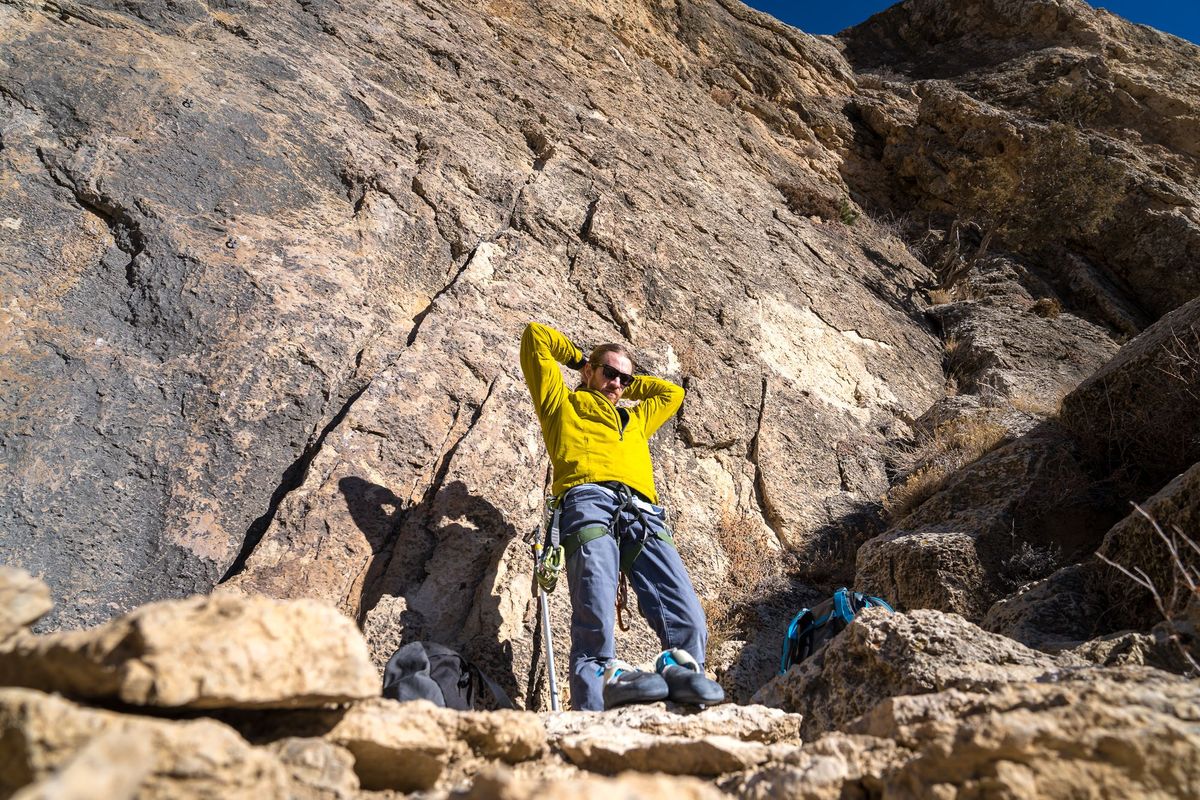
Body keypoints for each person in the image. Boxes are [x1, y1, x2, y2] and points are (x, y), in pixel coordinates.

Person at [520, 321, 722, 711]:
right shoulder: (560, 404)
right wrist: (581, 360)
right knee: (595, 618)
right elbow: (535, 337)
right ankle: (596, 709)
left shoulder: (636, 420)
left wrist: (629, 380)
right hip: (587, 500)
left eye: (624, 380)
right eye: (609, 373)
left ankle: (681, 674)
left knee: (690, 618)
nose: (616, 384)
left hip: (644, 514)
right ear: (590, 372)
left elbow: (673, 392)